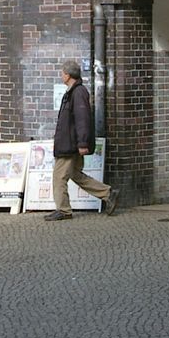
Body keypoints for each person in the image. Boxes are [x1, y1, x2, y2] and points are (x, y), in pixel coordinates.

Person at [45, 60, 119, 221]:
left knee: (59, 177)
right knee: (75, 174)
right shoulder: (75, 92)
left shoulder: (77, 93)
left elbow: (82, 119)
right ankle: (108, 193)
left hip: (70, 144)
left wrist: (82, 143)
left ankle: (63, 210)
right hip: (72, 142)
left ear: (68, 75)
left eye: (62, 73)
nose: (61, 75)